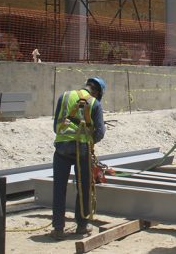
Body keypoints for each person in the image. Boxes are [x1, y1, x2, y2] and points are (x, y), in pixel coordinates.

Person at [50, 77, 107, 240]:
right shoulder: (95, 103)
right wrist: (90, 140)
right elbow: (100, 133)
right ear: (96, 91)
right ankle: (82, 225)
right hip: (82, 149)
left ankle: (58, 228)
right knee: (84, 187)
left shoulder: (65, 96)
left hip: (61, 148)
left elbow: (56, 126)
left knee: (59, 188)